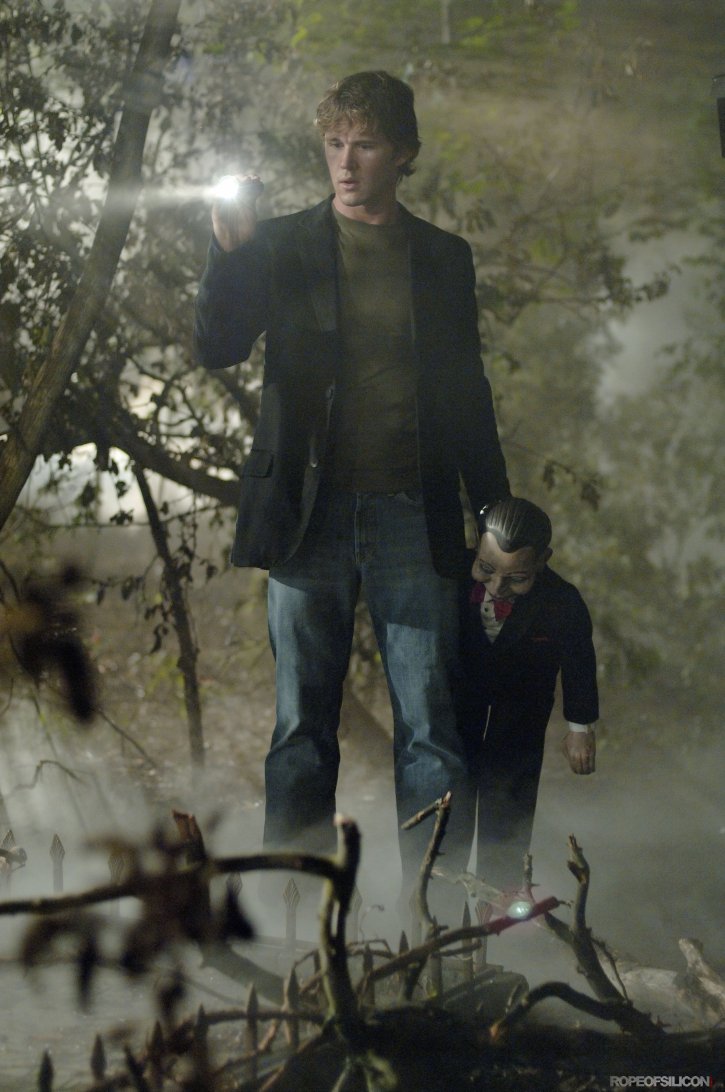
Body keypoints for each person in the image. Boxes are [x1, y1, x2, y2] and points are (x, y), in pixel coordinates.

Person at [194, 70, 509, 905]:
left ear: (402, 153)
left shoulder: (443, 257)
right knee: (300, 732)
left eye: (364, 145)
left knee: (432, 733)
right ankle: (291, 922)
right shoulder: (280, 243)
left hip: (414, 514)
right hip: (308, 518)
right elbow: (217, 346)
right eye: (334, 144)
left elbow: (467, 392)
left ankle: (436, 926)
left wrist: (494, 514)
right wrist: (228, 255)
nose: (344, 162)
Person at [458, 496, 598, 891]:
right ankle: (440, 901)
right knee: (449, 804)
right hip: (458, 710)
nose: (497, 587)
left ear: (542, 560)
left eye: (516, 578)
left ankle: (497, 905)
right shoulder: (451, 580)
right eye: (486, 570)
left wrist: (580, 728)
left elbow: (579, 663)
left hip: (520, 719)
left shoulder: (563, 602)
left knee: (507, 811)